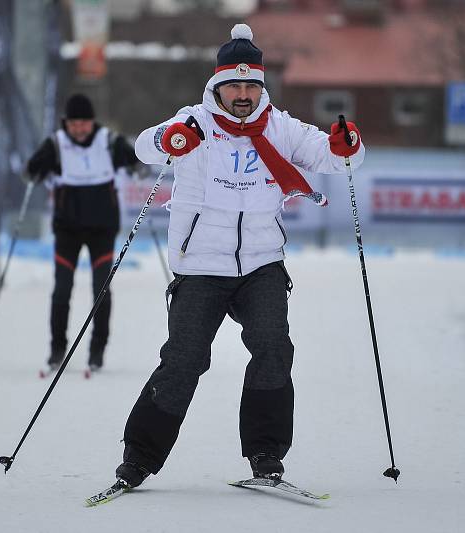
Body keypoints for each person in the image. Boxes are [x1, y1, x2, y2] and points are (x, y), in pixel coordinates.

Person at [112, 24, 365, 489]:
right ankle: (139, 459)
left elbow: (332, 156)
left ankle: (266, 455)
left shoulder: (281, 127)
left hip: (262, 265)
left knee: (273, 349)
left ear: (261, 87)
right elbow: (144, 146)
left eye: (252, 86)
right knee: (184, 360)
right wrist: (170, 138)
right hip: (199, 268)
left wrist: (346, 145)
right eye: (235, 85)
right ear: (218, 86)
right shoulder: (195, 123)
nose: (243, 94)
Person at [26, 93, 139, 372]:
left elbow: (136, 161)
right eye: (74, 124)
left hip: (102, 229)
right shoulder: (57, 144)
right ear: (66, 123)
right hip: (68, 230)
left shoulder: (108, 141)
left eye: (84, 123)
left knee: (101, 289)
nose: (79, 129)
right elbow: (30, 171)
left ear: (92, 122)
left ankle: (97, 349)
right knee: (62, 289)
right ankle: (57, 348)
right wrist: (36, 173)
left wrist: (137, 167)